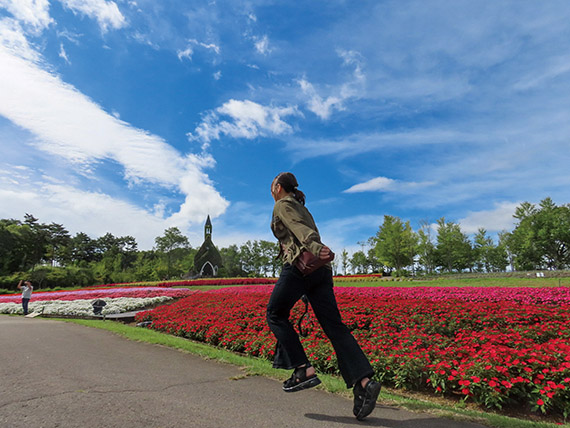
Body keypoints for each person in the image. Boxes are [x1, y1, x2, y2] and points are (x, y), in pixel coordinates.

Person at [266, 172, 381, 420]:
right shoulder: (299, 205)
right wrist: (318, 257)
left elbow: (300, 231)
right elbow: (304, 228)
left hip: (300, 267)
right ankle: (364, 382)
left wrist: (317, 249)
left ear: (277, 187)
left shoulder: (282, 204)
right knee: (334, 327)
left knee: (275, 314)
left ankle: (303, 369)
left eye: (271, 186)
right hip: (319, 272)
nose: (271, 190)